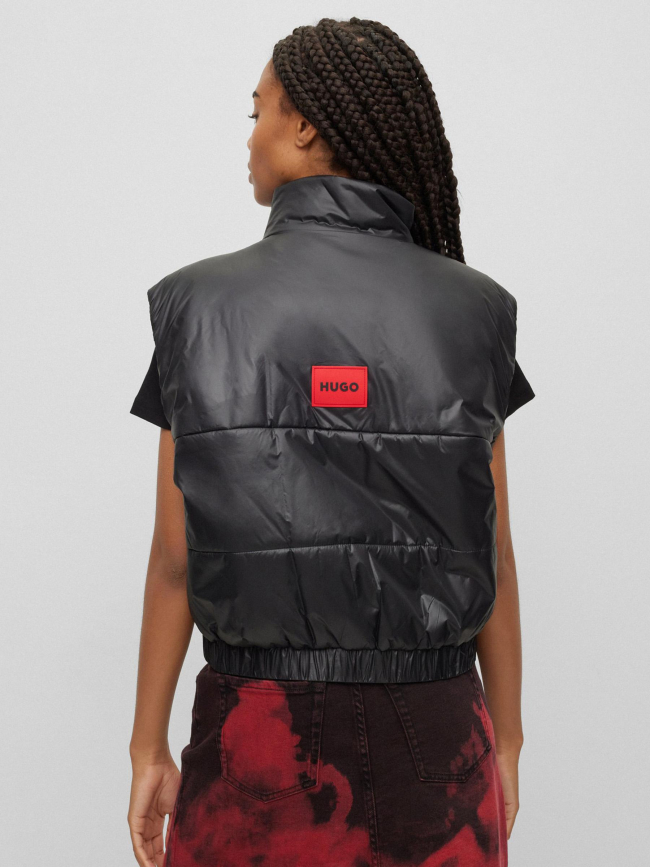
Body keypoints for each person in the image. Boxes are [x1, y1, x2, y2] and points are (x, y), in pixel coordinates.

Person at [127, 17, 535, 867]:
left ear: (306, 125)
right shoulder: (475, 311)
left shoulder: (196, 310)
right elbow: (492, 548)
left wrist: (147, 748)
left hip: (256, 736)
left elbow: (174, 554)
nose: (250, 137)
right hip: (438, 731)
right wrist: (507, 739)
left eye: (259, 113)